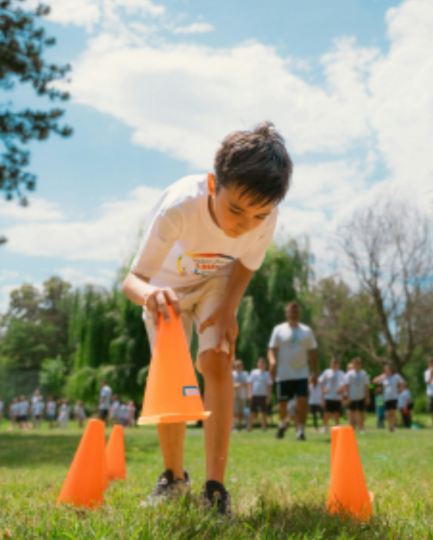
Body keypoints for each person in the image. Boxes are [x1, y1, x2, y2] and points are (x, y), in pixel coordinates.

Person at [120, 122, 292, 515]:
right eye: (235, 210)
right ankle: (173, 477)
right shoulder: (180, 206)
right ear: (214, 184)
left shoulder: (264, 219)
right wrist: (152, 297)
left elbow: (247, 262)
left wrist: (229, 308)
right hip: (165, 292)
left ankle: (216, 488)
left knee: (217, 358)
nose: (243, 225)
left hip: (217, 281)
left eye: (258, 215)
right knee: (173, 372)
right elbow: (133, 281)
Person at [268, 301, 319, 442]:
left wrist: (314, 373)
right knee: (282, 406)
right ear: (286, 314)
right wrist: (272, 362)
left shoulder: (306, 331)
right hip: (284, 374)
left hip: (301, 373)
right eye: (291, 312)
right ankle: (282, 423)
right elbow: (271, 349)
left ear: (299, 314)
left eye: (296, 312)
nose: (293, 314)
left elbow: (312, 354)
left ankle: (300, 431)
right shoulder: (278, 330)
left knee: (302, 402)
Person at [373, 365, 405, 433]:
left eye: (388, 369)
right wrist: (381, 376)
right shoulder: (384, 378)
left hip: (394, 397)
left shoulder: (396, 376)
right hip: (386, 397)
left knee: (392, 412)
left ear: (391, 370)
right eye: (385, 370)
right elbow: (374, 381)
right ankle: (390, 425)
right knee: (387, 414)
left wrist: (399, 390)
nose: (387, 371)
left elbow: (403, 382)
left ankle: (392, 427)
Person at [318, 358, 346, 433]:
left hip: (337, 397)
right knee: (326, 412)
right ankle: (325, 427)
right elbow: (320, 381)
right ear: (330, 364)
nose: (334, 365)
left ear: (339, 365)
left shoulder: (341, 373)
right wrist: (323, 389)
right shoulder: (327, 372)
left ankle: (336, 427)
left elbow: (345, 383)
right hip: (328, 396)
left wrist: (342, 390)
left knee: (336, 413)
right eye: (333, 363)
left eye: (336, 363)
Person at [343, 357, 370, 434]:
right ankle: (350, 429)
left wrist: (367, 397)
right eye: (355, 363)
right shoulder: (349, 374)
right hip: (352, 396)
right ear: (353, 364)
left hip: (361, 396)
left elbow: (366, 386)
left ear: (360, 364)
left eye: (358, 363)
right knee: (351, 413)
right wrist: (347, 397)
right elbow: (346, 386)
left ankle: (361, 429)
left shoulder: (363, 373)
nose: (356, 365)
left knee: (361, 413)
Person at [248, 358, 273, 432]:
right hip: (254, 394)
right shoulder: (253, 372)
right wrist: (249, 393)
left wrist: (268, 397)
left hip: (263, 395)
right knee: (252, 411)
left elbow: (269, 386)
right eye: (260, 363)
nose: (261, 365)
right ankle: (249, 427)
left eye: (263, 363)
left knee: (264, 412)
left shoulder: (267, 374)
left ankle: (264, 426)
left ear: (266, 365)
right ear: (257, 364)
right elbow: (250, 383)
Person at [232, 360, 250, 432]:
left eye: (239, 365)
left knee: (242, 412)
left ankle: (240, 426)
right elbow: (231, 385)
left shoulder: (245, 374)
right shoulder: (232, 374)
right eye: (235, 366)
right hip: (234, 396)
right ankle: (233, 427)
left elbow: (247, 384)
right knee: (234, 412)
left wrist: (237, 385)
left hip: (243, 395)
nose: (237, 367)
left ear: (242, 366)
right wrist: (239, 385)